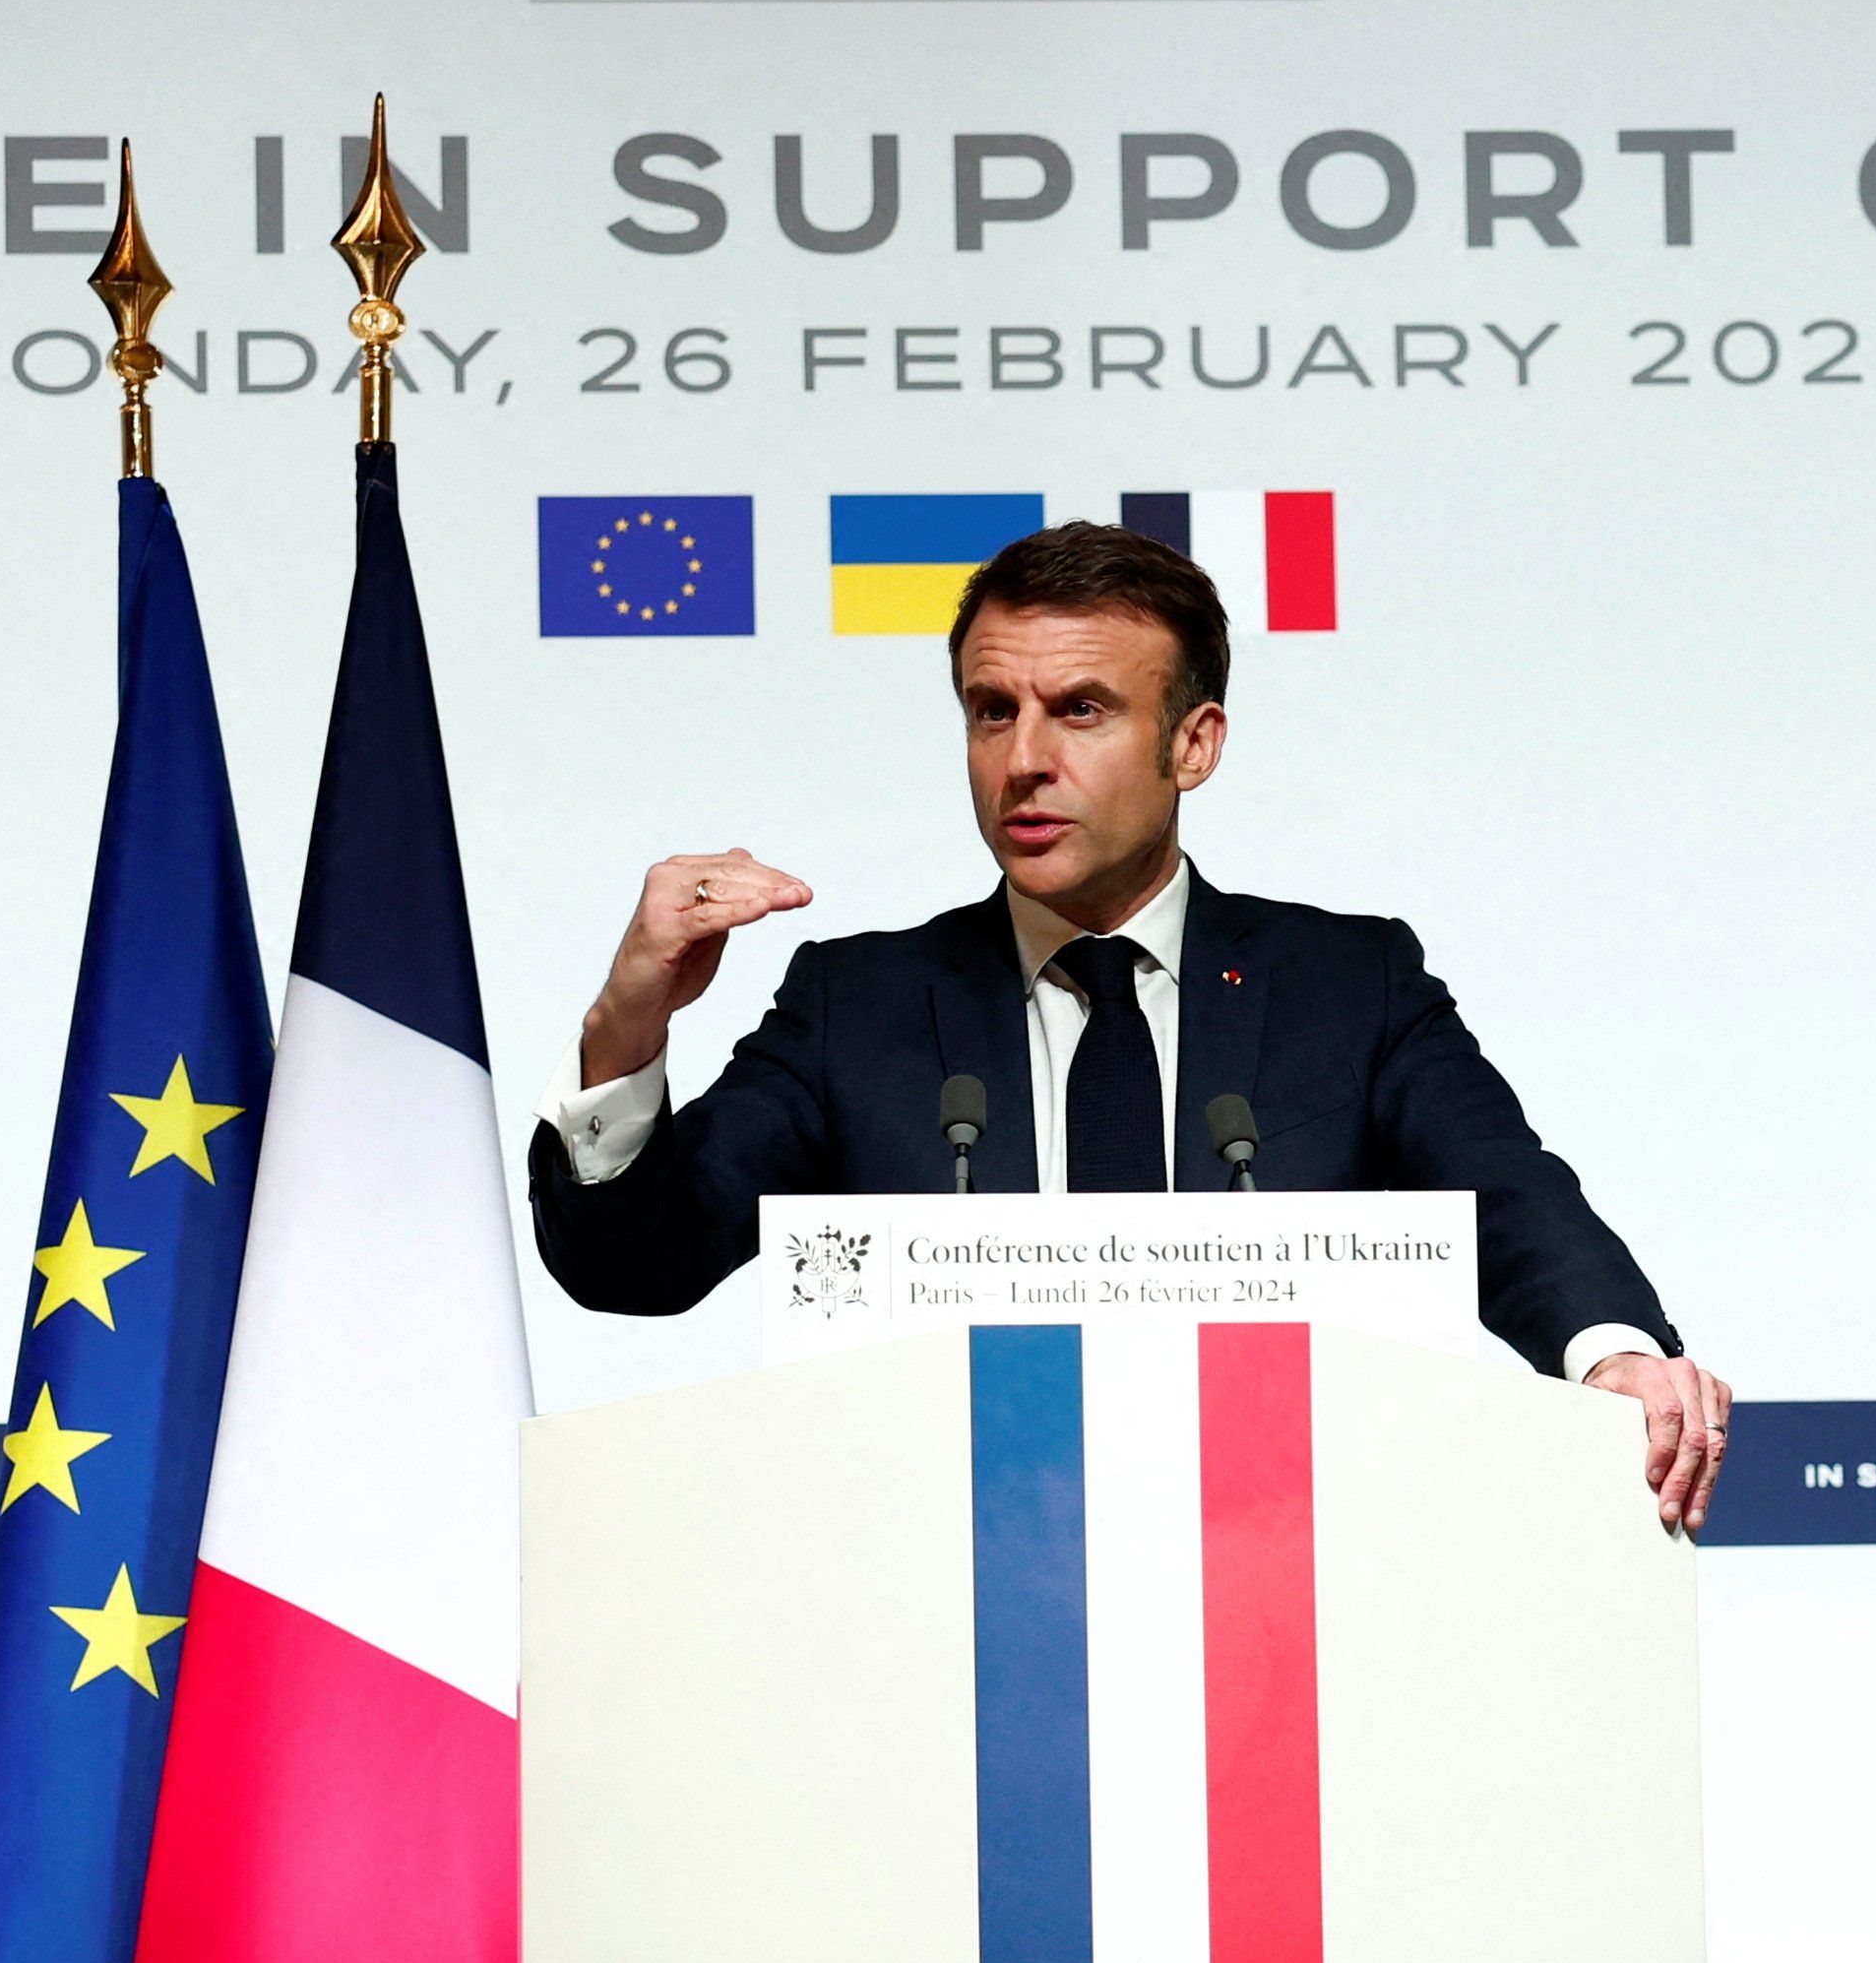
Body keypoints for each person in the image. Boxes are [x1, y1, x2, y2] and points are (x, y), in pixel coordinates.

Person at [528, 521, 1728, 1531]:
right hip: (937, 1585)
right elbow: (637, 1267)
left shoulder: (1344, 983)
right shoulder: (863, 1004)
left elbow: (1507, 1197)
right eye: (991, 711)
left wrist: (1610, 1354)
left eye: (1081, 709)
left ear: (1191, 743)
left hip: (1288, 1582)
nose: (1024, 760)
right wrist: (626, 1018)